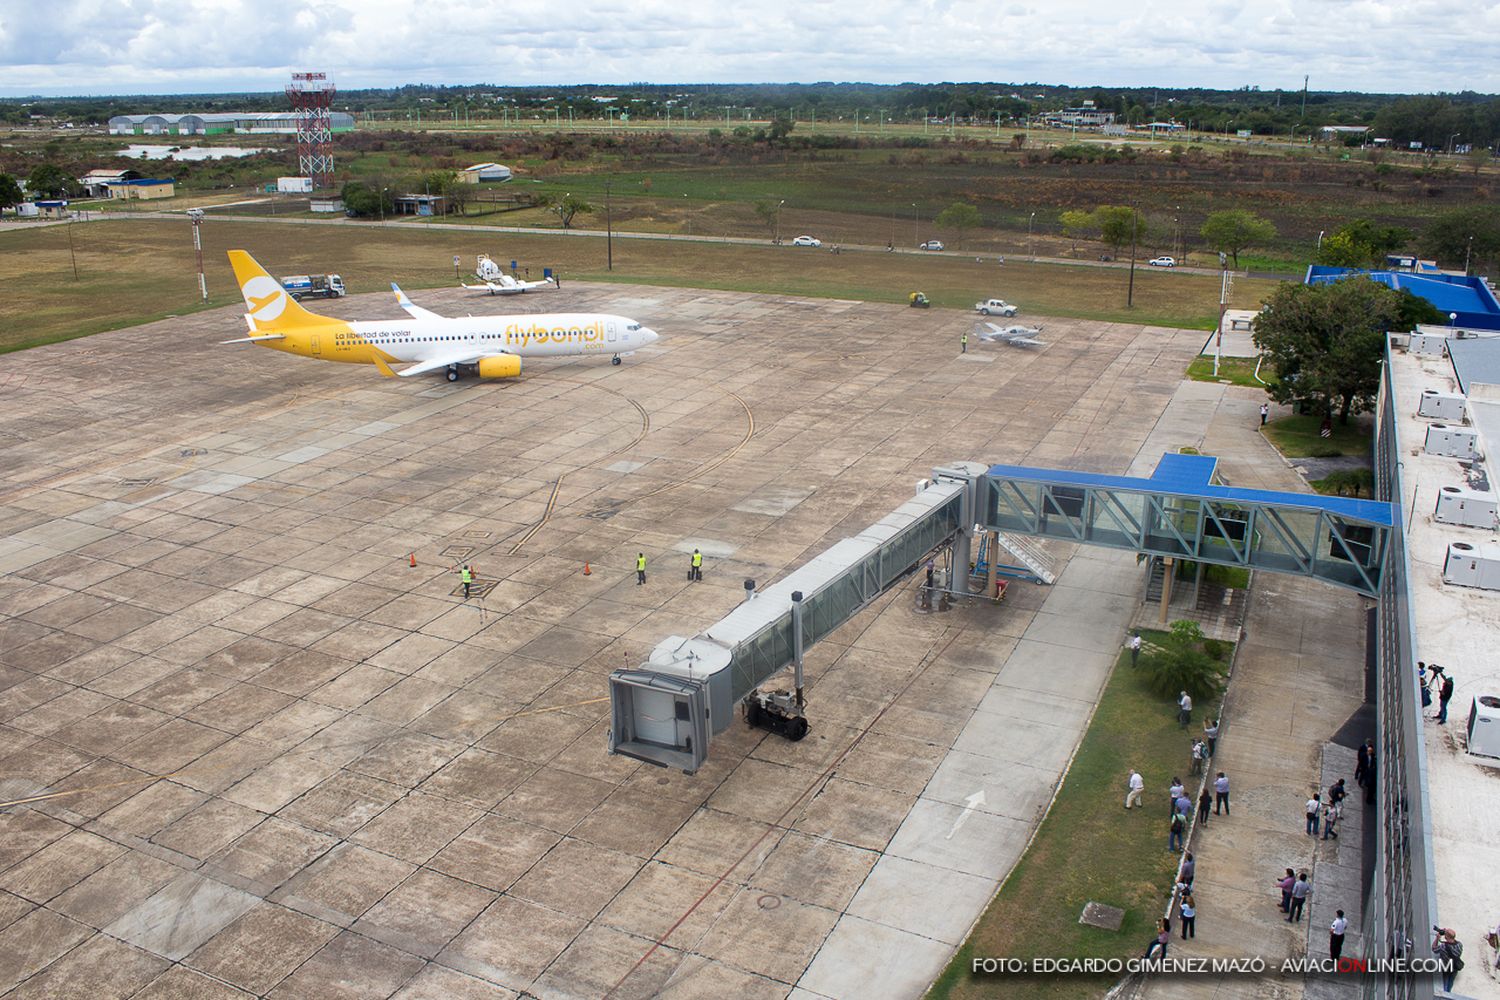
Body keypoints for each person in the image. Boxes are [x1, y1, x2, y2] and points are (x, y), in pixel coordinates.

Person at [1433, 927, 1464, 992]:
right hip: (1455, 967)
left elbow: (1434, 949)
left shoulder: (1443, 946)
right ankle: (1449, 992)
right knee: (1450, 983)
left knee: (1445, 983)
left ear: (1446, 936)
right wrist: (1447, 932)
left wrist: (1437, 938)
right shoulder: (1459, 944)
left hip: (1446, 967)